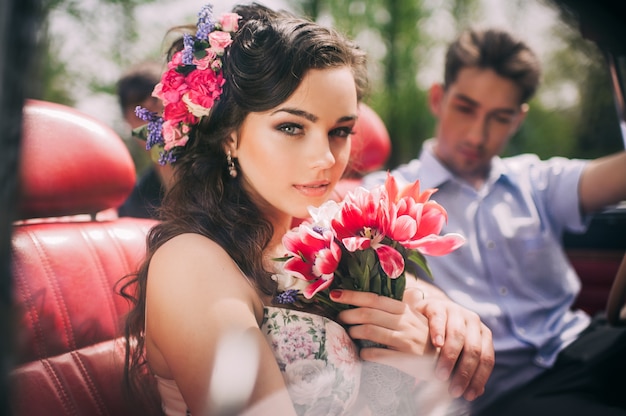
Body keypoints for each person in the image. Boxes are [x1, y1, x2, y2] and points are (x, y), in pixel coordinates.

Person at [120, 3, 494, 415]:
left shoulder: (328, 240)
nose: (327, 159)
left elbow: (415, 301)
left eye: (340, 131)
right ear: (229, 135)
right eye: (291, 127)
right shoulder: (190, 264)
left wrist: (444, 319)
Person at [362, 27, 626, 416]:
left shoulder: (536, 181)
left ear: (518, 120)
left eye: (499, 118)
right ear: (438, 98)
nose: (478, 134)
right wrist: (423, 292)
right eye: (465, 108)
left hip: (589, 342)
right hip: (505, 390)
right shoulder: (386, 197)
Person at [116, 60, 175, 218]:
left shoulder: (219, 173)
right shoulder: (133, 204)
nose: (153, 122)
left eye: (159, 107)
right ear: (127, 121)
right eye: (141, 114)